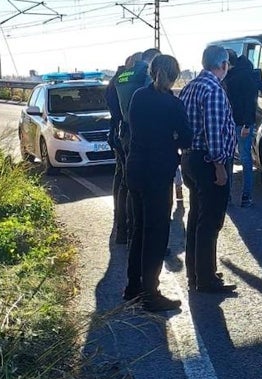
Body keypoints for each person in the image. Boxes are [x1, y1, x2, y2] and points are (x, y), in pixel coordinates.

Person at [123, 54, 193, 311]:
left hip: (136, 168)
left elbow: (134, 128)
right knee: (156, 234)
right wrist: (172, 139)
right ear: (174, 76)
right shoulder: (172, 104)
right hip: (158, 173)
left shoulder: (138, 97)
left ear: (152, 72)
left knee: (139, 229)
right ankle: (151, 293)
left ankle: (132, 287)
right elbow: (186, 138)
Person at [179, 45, 237, 293]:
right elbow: (213, 131)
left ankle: (196, 273)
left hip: (190, 159)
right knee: (210, 221)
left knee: (196, 218)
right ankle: (206, 278)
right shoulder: (213, 90)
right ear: (223, 64)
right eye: (227, 65)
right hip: (209, 162)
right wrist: (220, 167)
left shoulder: (189, 87)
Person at [114, 48, 161, 247]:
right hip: (141, 134)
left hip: (123, 130)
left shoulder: (121, 75)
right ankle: (138, 233)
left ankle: (123, 232)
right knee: (146, 187)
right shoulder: (145, 75)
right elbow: (151, 101)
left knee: (126, 183)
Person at [105, 54, 136, 245]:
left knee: (121, 179)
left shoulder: (116, 80)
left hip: (116, 133)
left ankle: (120, 224)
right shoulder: (129, 83)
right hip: (124, 134)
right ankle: (126, 227)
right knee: (127, 183)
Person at [223, 49, 259, 208]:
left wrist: (247, 124)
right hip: (230, 123)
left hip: (241, 124)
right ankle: (228, 195)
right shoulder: (234, 74)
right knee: (231, 159)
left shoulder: (243, 76)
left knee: (244, 159)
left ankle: (246, 195)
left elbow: (250, 101)